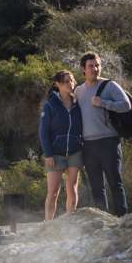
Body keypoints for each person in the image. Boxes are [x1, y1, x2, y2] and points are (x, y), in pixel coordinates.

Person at [78, 52, 132, 216]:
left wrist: (103, 103)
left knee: (115, 182)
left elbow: (126, 105)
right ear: (83, 69)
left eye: (97, 65)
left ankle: (123, 219)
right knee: (96, 186)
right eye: (91, 66)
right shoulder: (79, 91)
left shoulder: (110, 86)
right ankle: (103, 220)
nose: (95, 69)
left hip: (109, 141)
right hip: (88, 145)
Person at [38, 69, 83, 220]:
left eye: (72, 81)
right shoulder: (50, 105)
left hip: (75, 152)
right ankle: (48, 224)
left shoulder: (78, 103)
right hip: (55, 154)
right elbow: (43, 132)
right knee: (53, 192)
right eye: (66, 81)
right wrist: (48, 154)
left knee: (72, 189)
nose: (70, 84)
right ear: (57, 84)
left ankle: (70, 221)